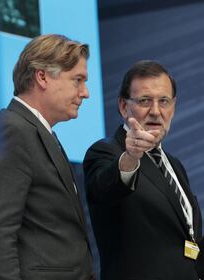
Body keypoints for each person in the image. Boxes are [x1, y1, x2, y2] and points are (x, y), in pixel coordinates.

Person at [0, 34, 95, 280]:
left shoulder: (36, 131)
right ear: (42, 77)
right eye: (77, 80)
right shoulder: (12, 129)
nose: (85, 92)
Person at [83, 60, 203, 280]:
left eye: (164, 101)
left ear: (173, 106)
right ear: (122, 106)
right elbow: (105, 190)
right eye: (145, 101)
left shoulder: (174, 164)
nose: (156, 111)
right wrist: (131, 158)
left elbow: (187, 240)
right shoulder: (105, 152)